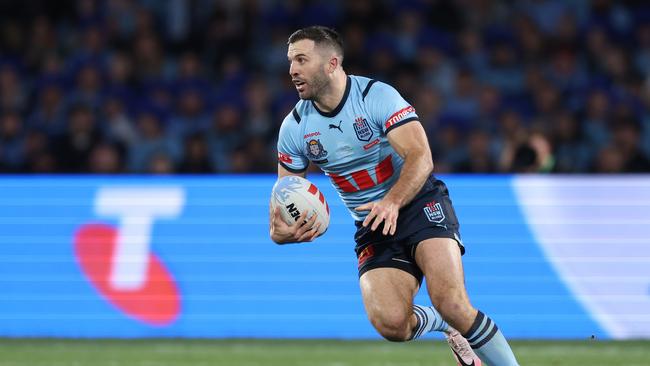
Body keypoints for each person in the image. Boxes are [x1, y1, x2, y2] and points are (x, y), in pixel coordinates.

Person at [269, 26, 519, 366]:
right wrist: (281, 232)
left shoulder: (376, 96)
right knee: (392, 325)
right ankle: (445, 325)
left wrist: (393, 201)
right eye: (290, 62)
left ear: (331, 63)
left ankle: (460, 324)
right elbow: (286, 196)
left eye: (301, 60)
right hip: (372, 223)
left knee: (453, 302)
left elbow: (421, 157)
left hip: (418, 202)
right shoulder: (294, 128)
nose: (292, 70)